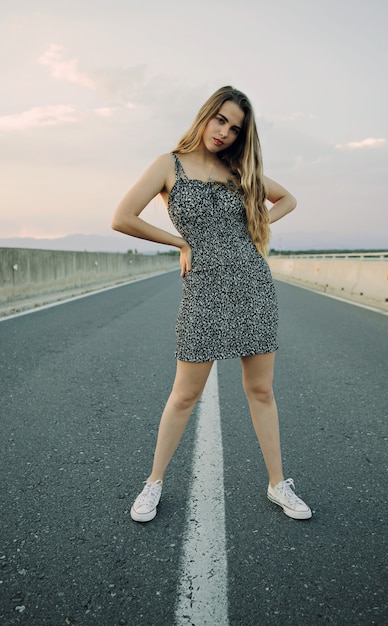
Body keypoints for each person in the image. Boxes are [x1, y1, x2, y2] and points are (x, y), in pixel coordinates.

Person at [111, 86, 312, 523]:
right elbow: (122, 217)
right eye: (220, 120)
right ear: (206, 115)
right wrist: (179, 242)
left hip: (252, 285)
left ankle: (279, 484)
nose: (223, 132)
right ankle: (154, 482)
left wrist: (256, 225)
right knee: (185, 393)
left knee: (260, 389)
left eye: (235, 128)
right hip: (202, 288)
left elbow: (288, 199)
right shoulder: (170, 165)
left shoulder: (239, 169)